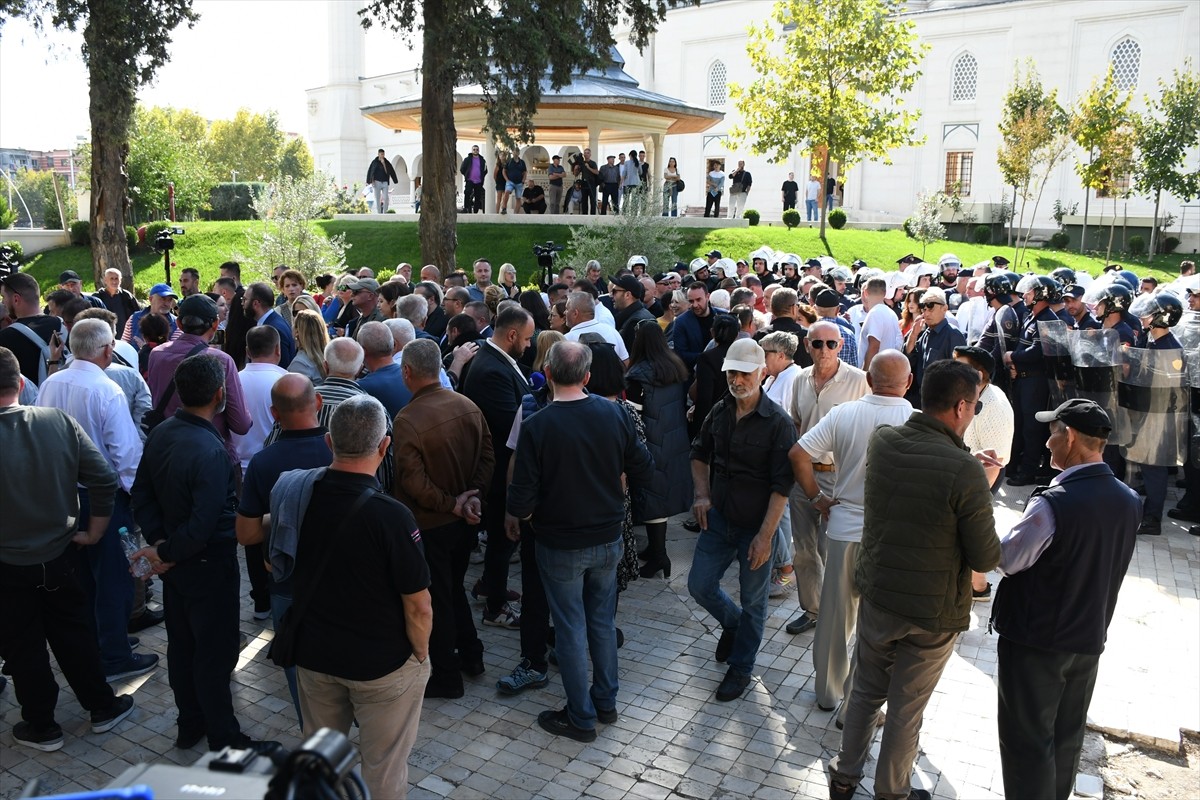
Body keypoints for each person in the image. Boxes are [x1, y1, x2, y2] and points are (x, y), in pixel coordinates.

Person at [829, 360, 999, 800]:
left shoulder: (885, 441)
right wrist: (982, 480)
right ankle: (892, 792)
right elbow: (985, 554)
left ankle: (844, 777)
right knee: (906, 710)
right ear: (961, 407)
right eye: (976, 407)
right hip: (931, 611)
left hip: (880, 594)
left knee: (866, 690)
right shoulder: (965, 472)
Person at [993, 399, 1140, 800]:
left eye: (1053, 432)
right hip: (1088, 639)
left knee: (1028, 743)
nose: (1047, 441)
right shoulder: (1129, 499)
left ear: (1070, 436)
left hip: (1038, 643)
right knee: (1066, 738)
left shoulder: (1054, 503)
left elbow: (1007, 559)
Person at [507, 341, 654, 741]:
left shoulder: (538, 425)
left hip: (559, 544)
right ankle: (604, 703)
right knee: (602, 623)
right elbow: (645, 467)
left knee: (571, 628)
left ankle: (581, 716)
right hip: (607, 538)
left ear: (549, 374)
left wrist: (537, 516)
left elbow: (520, 500)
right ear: (587, 377)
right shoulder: (614, 413)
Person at [286, 395, 431, 799]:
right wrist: (420, 655)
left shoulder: (297, 496)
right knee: (382, 769)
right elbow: (418, 604)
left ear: (329, 442)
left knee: (321, 765)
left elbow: (271, 562)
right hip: (381, 666)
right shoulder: (392, 516)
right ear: (385, 446)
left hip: (314, 657)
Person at [131, 354, 274, 753]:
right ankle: (223, 736)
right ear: (219, 393)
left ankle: (189, 722)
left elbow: (141, 495)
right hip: (206, 564)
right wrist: (168, 551)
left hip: (177, 564)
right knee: (213, 652)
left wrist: (161, 547)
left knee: (182, 645)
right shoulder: (211, 451)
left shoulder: (162, 433)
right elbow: (206, 521)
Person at [0, 347, 138, 752]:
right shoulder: (56, 422)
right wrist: (95, 531)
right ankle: (101, 707)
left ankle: (41, 725)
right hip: (61, 554)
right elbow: (103, 476)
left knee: (22, 645)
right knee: (74, 632)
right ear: (23, 383)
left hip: (7, 564)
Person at [794, 351, 914, 726]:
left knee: (835, 616)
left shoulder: (844, 414)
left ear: (868, 379)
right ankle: (863, 701)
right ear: (908, 382)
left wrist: (817, 498)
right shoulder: (916, 421)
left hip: (845, 526)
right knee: (878, 625)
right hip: (893, 536)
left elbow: (798, 454)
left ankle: (828, 692)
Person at [36, 318, 159, 681]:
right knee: (115, 579)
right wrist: (139, 500)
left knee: (85, 579)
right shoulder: (107, 390)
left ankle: (102, 643)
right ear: (107, 350)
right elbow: (125, 455)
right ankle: (115, 656)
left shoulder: (51, 383)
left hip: (65, 497)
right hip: (104, 500)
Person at [688, 338, 797, 702]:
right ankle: (732, 624)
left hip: (756, 526)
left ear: (762, 372)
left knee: (755, 601)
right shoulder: (720, 410)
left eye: (744, 372)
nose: (737, 379)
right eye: (732, 372)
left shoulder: (778, 422)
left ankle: (742, 666)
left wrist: (766, 536)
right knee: (699, 585)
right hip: (719, 519)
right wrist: (702, 494)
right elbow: (699, 453)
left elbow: (783, 487)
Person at [393, 340, 493, 698]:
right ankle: (472, 656)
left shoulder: (407, 419)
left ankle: (447, 675)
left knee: (439, 597)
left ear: (407, 373)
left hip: (432, 524)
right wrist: (471, 499)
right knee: (452, 589)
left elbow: (412, 482)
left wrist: (454, 504)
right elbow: (487, 457)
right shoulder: (467, 405)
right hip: (463, 521)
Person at [236, 374, 333, 725]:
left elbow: (246, 535)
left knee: (299, 672)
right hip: (340, 580)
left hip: (287, 585)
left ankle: (313, 732)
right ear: (318, 403)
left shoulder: (263, 462)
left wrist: (280, 517)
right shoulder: (340, 451)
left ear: (275, 413)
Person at [783, 321, 869, 637]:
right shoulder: (799, 380)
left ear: (840, 346)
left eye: (831, 344)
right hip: (803, 475)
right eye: (817, 344)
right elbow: (795, 422)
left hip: (840, 477)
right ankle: (813, 610)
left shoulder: (859, 381)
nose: (824, 350)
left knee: (832, 550)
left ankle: (839, 612)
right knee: (804, 551)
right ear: (807, 345)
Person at [460, 307, 534, 628]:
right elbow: (509, 425)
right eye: (528, 339)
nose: (530, 345)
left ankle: (491, 585)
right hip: (502, 470)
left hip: (500, 466)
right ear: (513, 335)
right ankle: (495, 607)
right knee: (505, 537)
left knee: (504, 540)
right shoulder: (491, 370)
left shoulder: (495, 360)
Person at [625, 322, 692, 578]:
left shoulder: (638, 374)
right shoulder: (673, 367)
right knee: (660, 496)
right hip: (674, 440)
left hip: (651, 443)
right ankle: (655, 549)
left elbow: (632, 415)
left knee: (652, 499)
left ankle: (659, 556)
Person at [1003, 275, 1061, 486]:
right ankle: (1015, 465)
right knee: (1020, 424)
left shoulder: (1048, 319)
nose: (1024, 295)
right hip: (1023, 380)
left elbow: (1039, 351)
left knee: (1032, 428)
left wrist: (1013, 357)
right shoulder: (1032, 316)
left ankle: (1028, 471)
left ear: (1040, 294)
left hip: (1036, 383)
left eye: (1029, 292)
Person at [1, 271, 68, 389]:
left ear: (16, 299)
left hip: (33, 406)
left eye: (3, 297)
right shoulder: (66, 325)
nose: (3, 302)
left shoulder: (5, 338)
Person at [904, 287, 968, 407]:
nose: (926, 313)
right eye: (924, 307)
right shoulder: (924, 334)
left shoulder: (953, 335)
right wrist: (913, 335)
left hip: (942, 402)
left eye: (931, 307)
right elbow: (908, 359)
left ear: (945, 308)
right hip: (921, 399)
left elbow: (961, 374)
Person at [243, 282, 297, 369]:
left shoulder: (274, 328)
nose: (242, 303)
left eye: (245, 299)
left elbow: (282, 367)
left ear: (256, 303)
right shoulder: (272, 322)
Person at [857, 277, 905, 371]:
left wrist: (865, 373)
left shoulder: (875, 313)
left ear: (865, 292)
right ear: (885, 293)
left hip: (874, 373)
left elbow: (874, 345)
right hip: (886, 370)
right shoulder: (891, 313)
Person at [94, 268, 140, 335]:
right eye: (111, 278)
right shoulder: (97, 297)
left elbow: (137, 315)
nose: (114, 281)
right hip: (103, 336)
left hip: (125, 336)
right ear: (105, 280)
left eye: (116, 278)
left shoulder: (127, 296)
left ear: (120, 280)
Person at [367, 149, 399, 213]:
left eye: (383, 154)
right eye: (381, 154)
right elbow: (371, 171)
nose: (382, 155)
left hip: (385, 182)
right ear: (378, 154)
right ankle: (379, 213)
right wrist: (370, 180)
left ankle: (385, 212)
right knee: (378, 198)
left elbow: (391, 171)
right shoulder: (374, 162)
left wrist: (383, 163)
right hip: (377, 182)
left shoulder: (386, 162)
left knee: (386, 198)